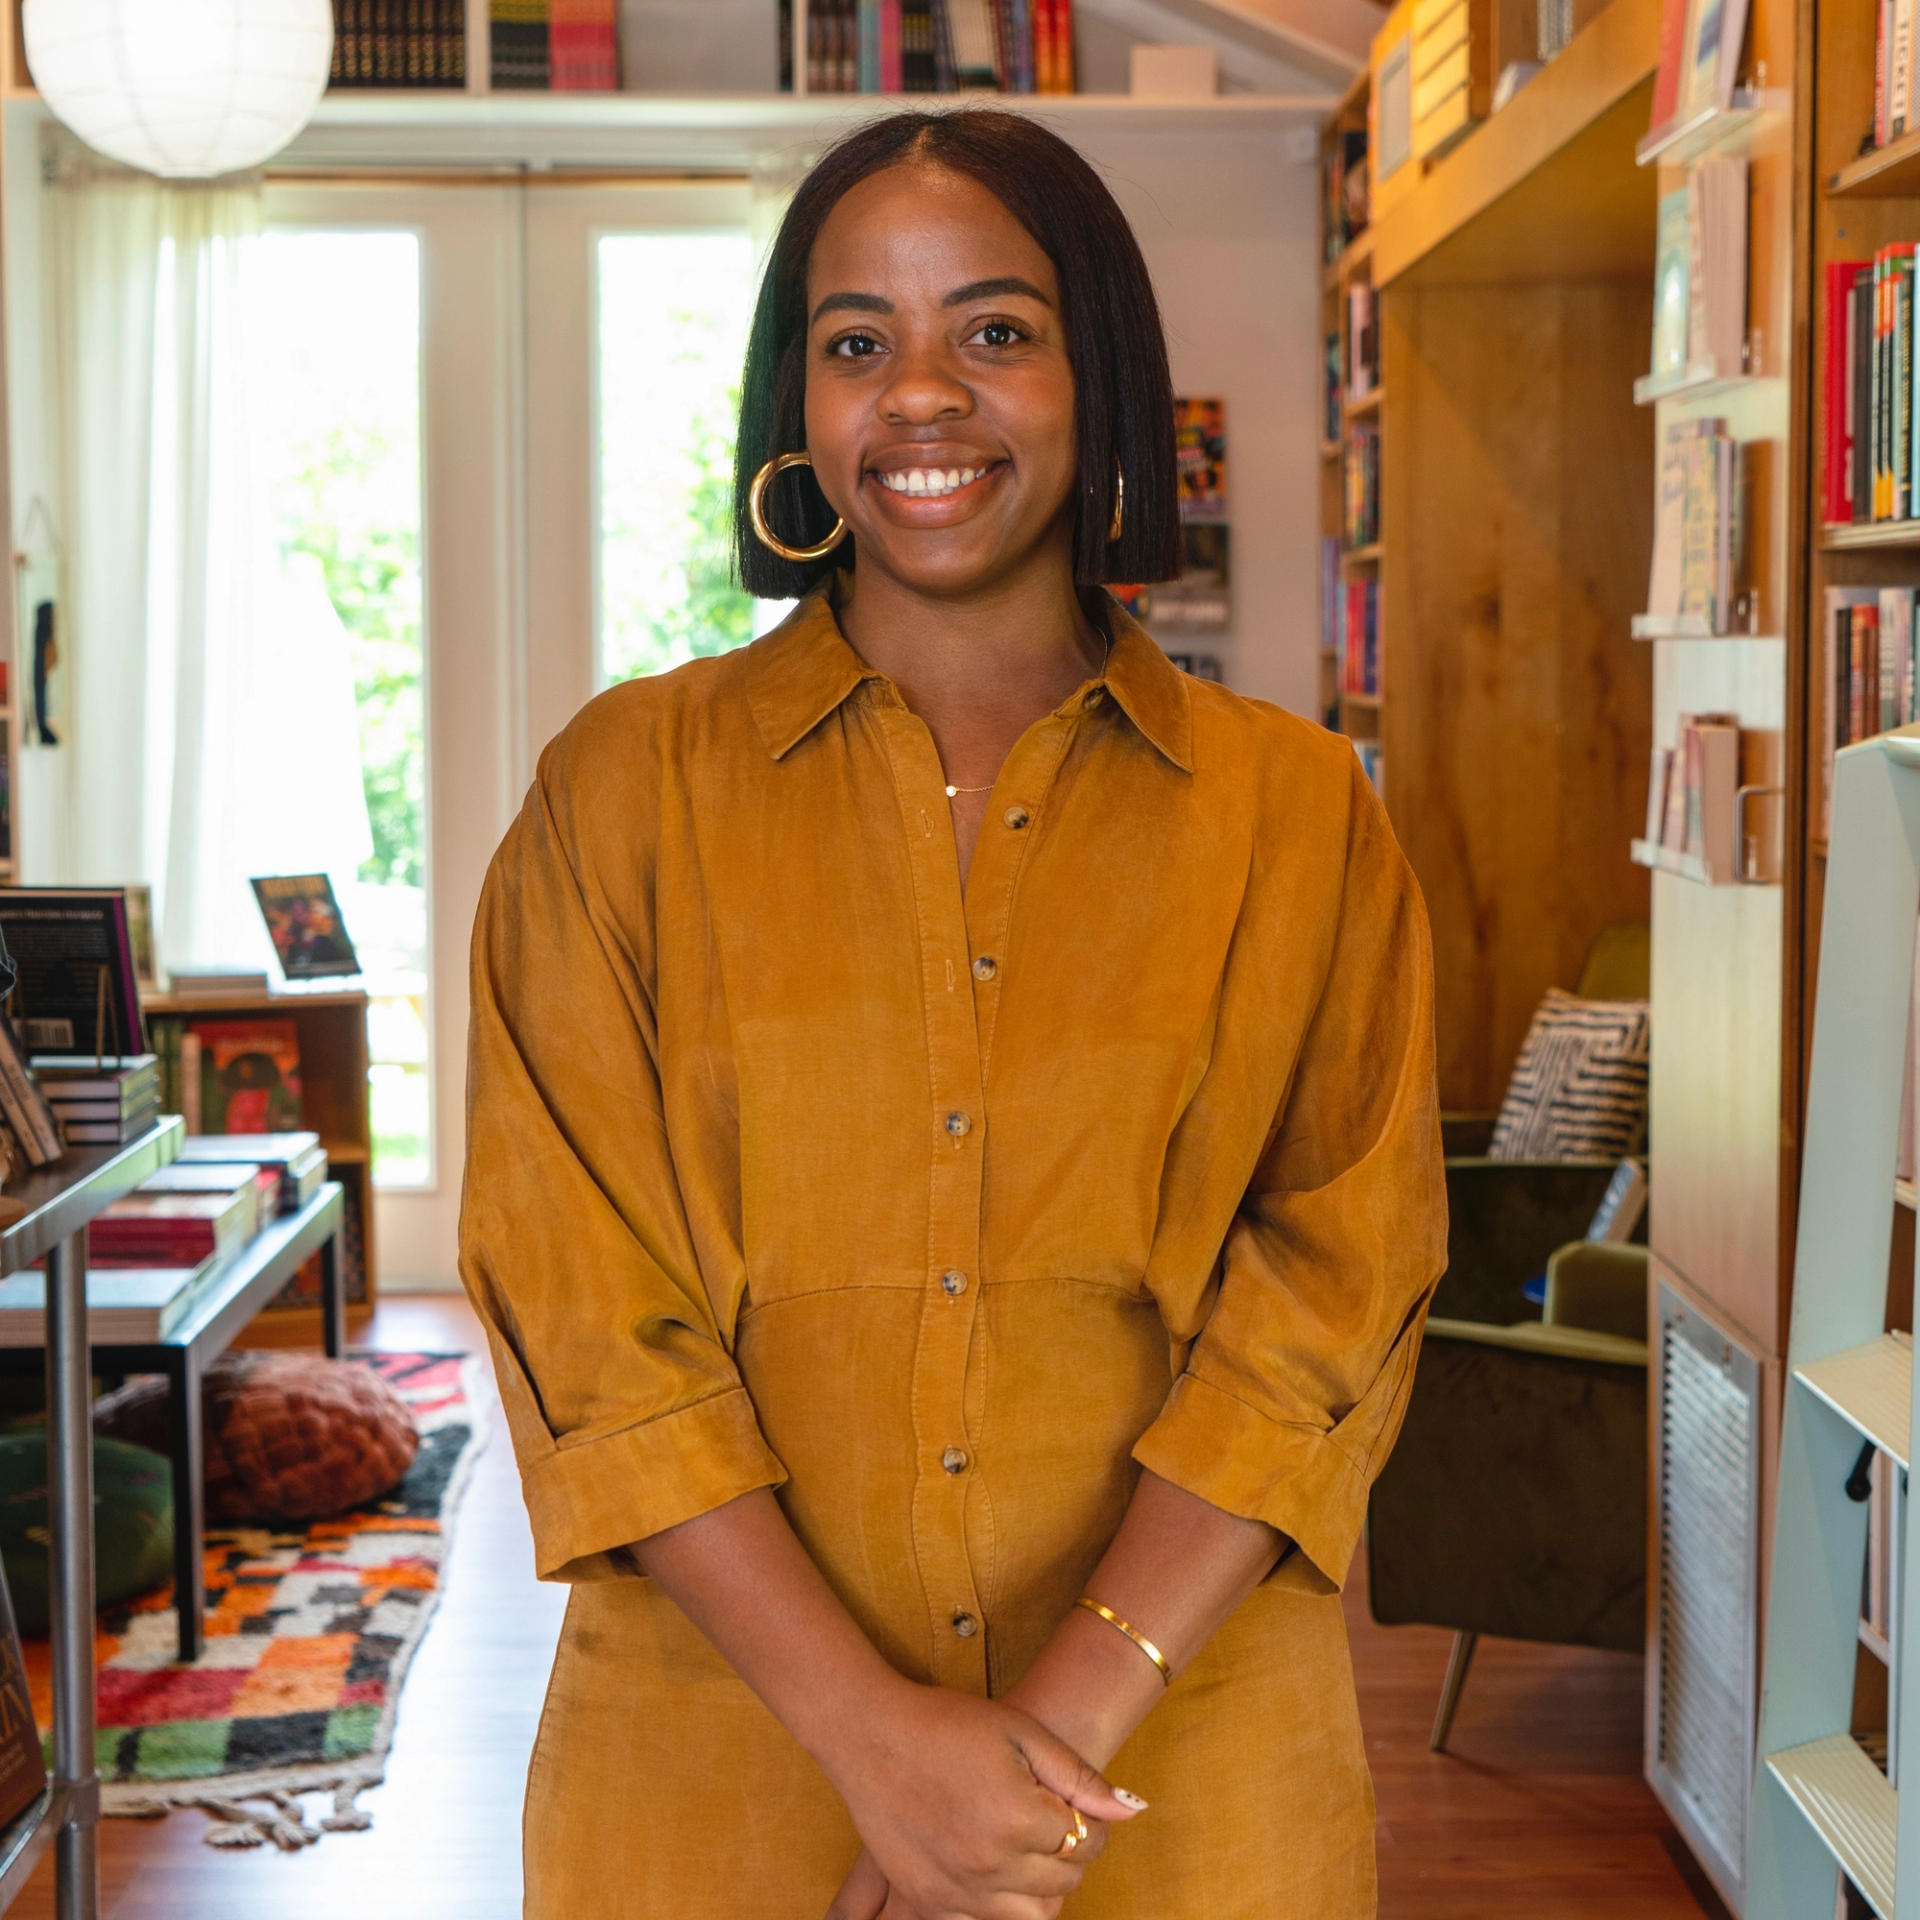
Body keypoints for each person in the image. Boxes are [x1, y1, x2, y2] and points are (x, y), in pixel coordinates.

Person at [460, 107, 1445, 1920]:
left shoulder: (1300, 817)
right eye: (858, 344)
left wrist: (1029, 1766)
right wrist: (874, 1743)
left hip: (1183, 1777)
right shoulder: (620, 793)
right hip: (716, 1768)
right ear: (797, 406)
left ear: (1099, 376)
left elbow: (1330, 1298)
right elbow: (588, 1319)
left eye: (993, 329)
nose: (921, 396)